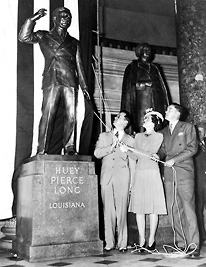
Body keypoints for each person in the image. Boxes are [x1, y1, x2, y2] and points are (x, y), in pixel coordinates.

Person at [19, 7, 90, 155]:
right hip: (52, 79)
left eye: (69, 16)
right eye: (62, 16)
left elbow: (80, 66)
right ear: (55, 18)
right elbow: (23, 37)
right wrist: (33, 19)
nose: (66, 18)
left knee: (71, 116)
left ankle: (70, 147)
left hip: (70, 81)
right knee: (48, 114)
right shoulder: (43, 36)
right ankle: (42, 149)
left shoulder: (74, 42)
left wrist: (84, 86)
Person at [120, 109, 167, 252]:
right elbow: (136, 157)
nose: (144, 120)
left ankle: (151, 239)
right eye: (145, 118)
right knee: (139, 208)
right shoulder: (138, 136)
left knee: (153, 208)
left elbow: (150, 156)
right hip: (140, 172)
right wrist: (126, 151)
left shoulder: (158, 136)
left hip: (152, 172)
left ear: (155, 122)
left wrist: (132, 149)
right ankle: (142, 240)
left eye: (148, 118)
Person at [159, 103, 199, 256]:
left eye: (169, 109)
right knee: (174, 209)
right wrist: (157, 156)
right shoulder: (163, 131)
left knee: (188, 208)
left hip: (184, 172)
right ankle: (182, 243)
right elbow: (163, 150)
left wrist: (175, 160)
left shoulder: (187, 127)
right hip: (169, 174)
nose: (166, 111)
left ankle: (193, 245)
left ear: (178, 113)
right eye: (167, 108)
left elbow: (192, 148)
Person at [94, 111, 135, 252]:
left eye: (120, 117)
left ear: (125, 123)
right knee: (108, 210)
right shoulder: (104, 136)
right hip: (106, 177)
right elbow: (97, 153)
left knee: (122, 210)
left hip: (123, 177)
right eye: (116, 116)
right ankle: (109, 242)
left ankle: (122, 243)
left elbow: (134, 159)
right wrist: (110, 148)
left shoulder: (130, 140)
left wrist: (127, 151)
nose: (116, 118)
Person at [121, 42, 170, 134]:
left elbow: (161, 87)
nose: (148, 52)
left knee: (155, 123)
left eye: (149, 50)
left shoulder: (155, 68)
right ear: (139, 52)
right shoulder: (133, 67)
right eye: (145, 50)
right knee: (141, 122)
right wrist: (146, 84)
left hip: (154, 99)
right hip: (140, 99)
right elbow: (130, 86)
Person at [194, 121, 206, 246]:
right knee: (198, 209)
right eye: (197, 131)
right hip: (198, 182)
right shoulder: (194, 147)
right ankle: (202, 236)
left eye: (201, 131)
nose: (198, 134)